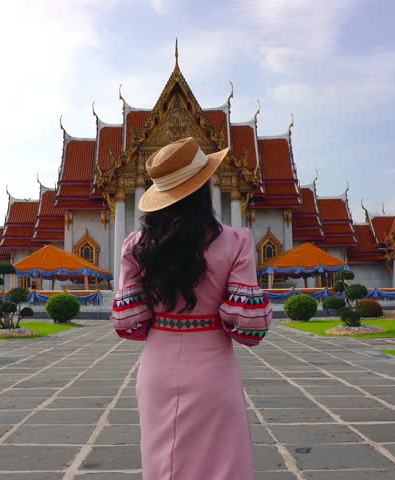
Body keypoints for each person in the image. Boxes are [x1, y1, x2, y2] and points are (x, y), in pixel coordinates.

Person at [112, 137, 273, 479]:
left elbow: (131, 324)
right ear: (205, 187)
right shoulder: (236, 241)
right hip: (214, 370)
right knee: (222, 466)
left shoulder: (136, 246)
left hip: (157, 366)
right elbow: (251, 329)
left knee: (163, 465)